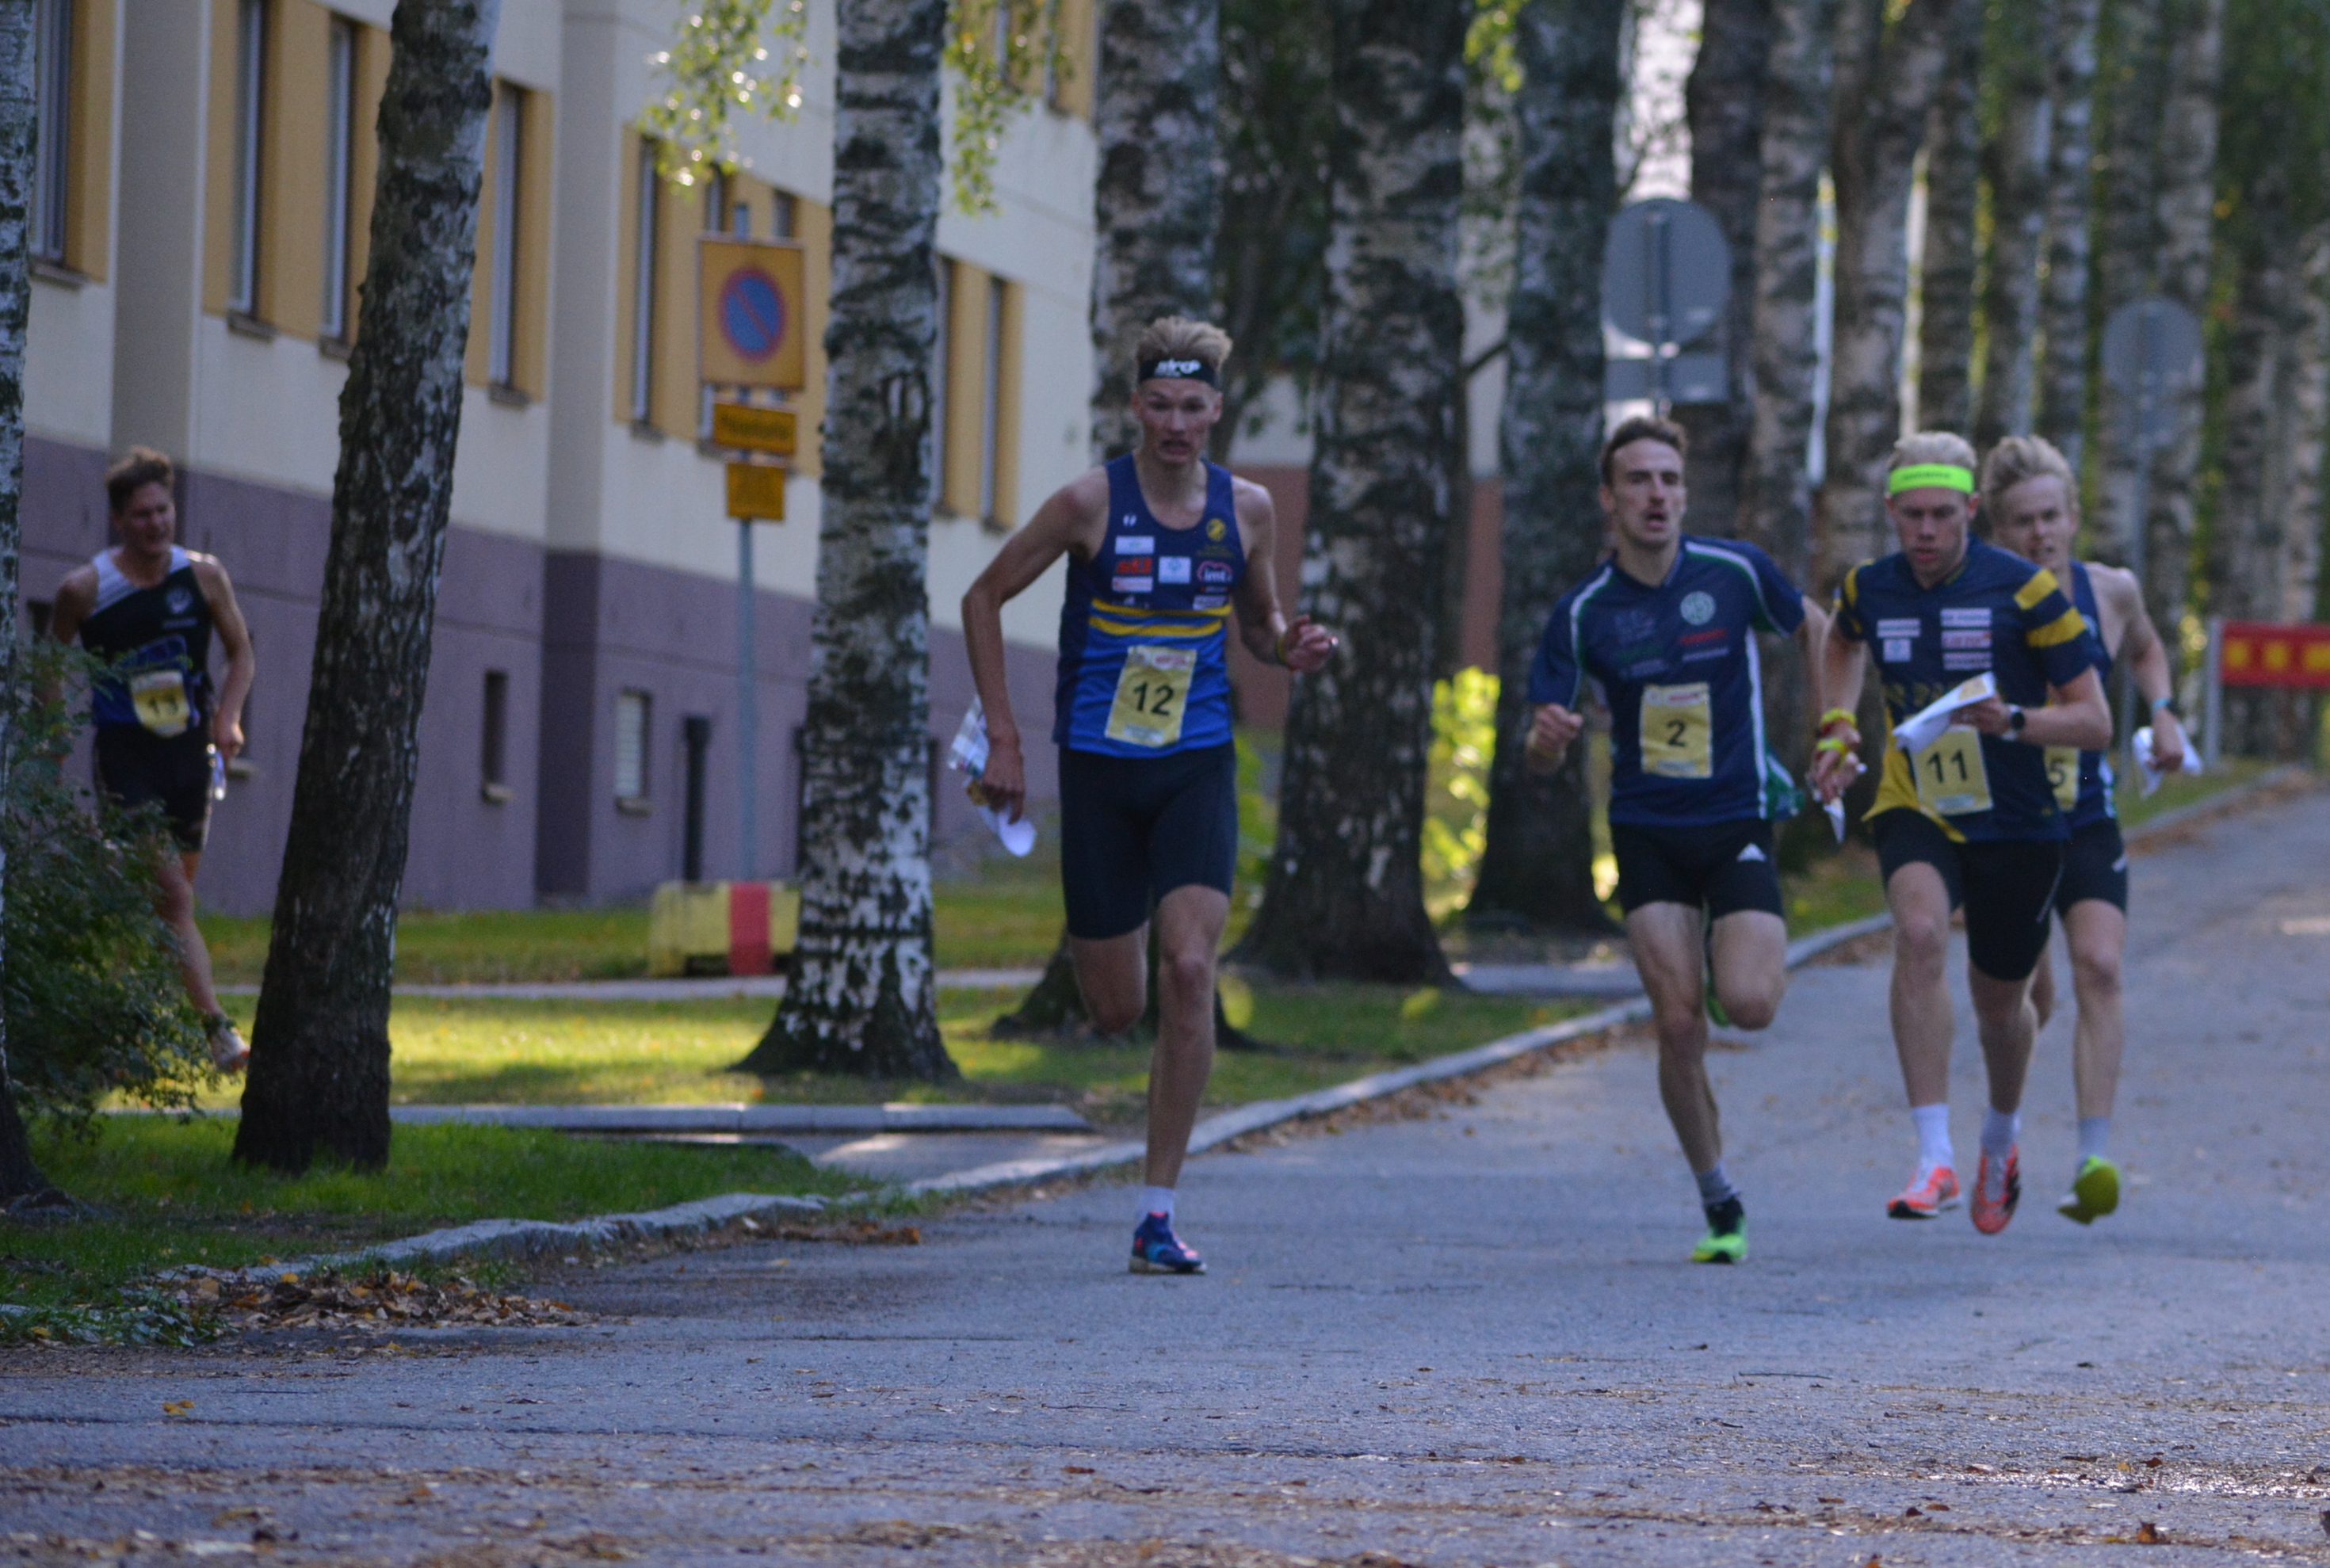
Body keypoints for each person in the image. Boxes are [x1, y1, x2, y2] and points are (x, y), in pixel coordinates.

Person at [961, 318, 1335, 1275]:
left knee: (1190, 968)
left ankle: (1156, 1213)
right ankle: (1149, 1173)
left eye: (1192, 407)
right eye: (1160, 405)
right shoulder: (1088, 503)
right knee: (1118, 1008)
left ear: (1217, 411)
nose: (1175, 423)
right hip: (1098, 767)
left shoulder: (1248, 509)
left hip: (1196, 761)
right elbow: (982, 597)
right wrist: (1004, 733)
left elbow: (1259, 623)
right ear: (1136, 406)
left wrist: (1290, 646)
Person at [1525, 415, 1830, 1265]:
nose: (1655, 495)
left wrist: (1832, 725)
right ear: (1609, 499)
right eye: (1638, 480)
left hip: (1736, 817)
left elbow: (1818, 626)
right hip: (1648, 829)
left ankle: (1732, 966)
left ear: (1685, 494)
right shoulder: (1584, 611)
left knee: (1752, 1004)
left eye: (1669, 479)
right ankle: (1718, 1197)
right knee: (1679, 1022)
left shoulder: (1733, 573)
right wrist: (1547, 742)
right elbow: (1541, 746)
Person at [1812, 432, 2111, 1235]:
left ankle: (1999, 1138)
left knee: (2000, 1008)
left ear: (1972, 510)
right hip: (1917, 800)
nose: (1926, 531)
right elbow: (1839, 637)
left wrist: (2013, 719)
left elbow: (2095, 721)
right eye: (1911, 514)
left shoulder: (2027, 591)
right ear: (1890, 511)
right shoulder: (1869, 587)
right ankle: (1933, 1156)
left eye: (1943, 514)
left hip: (2018, 821)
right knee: (1917, 932)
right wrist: (1837, 722)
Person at [1983, 435, 2187, 1226]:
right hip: (2010, 825)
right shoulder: (1984, 601)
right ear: (1998, 528)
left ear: (2072, 515)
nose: (2040, 534)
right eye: (2022, 521)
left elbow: (2147, 647)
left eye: (2051, 516)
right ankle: (2004, 1135)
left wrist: (2162, 710)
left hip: (2087, 817)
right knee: (2026, 998)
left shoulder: (2111, 589)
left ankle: (2091, 1159)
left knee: (2100, 966)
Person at [49, 448, 258, 1073]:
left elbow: (241, 653)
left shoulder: (203, 576)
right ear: (118, 519)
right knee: (170, 894)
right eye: (142, 514)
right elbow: (49, 662)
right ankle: (219, 1035)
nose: (156, 524)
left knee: (164, 904)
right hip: (126, 759)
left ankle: (108, 1028)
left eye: (163, 510)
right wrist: (51, 739)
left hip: (188, 756)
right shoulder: (85, 588)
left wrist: (228, 717)